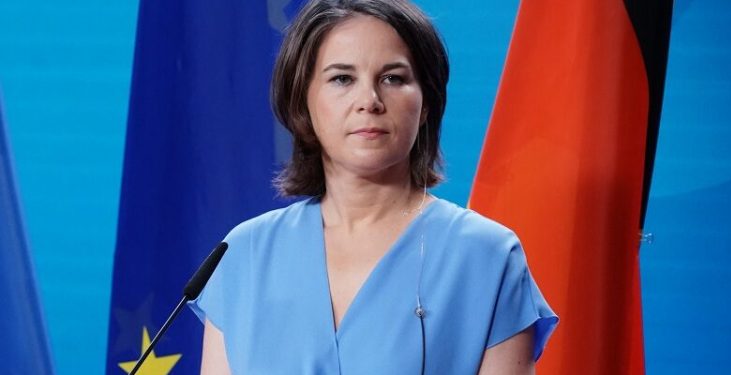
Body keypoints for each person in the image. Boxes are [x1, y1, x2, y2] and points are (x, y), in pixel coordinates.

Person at [190, 0, 558, 373]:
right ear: (304, 99)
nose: (369, 101)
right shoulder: (243, 254)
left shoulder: (487, 256)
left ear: (426, 102)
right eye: (342, 79)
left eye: (393, 78)